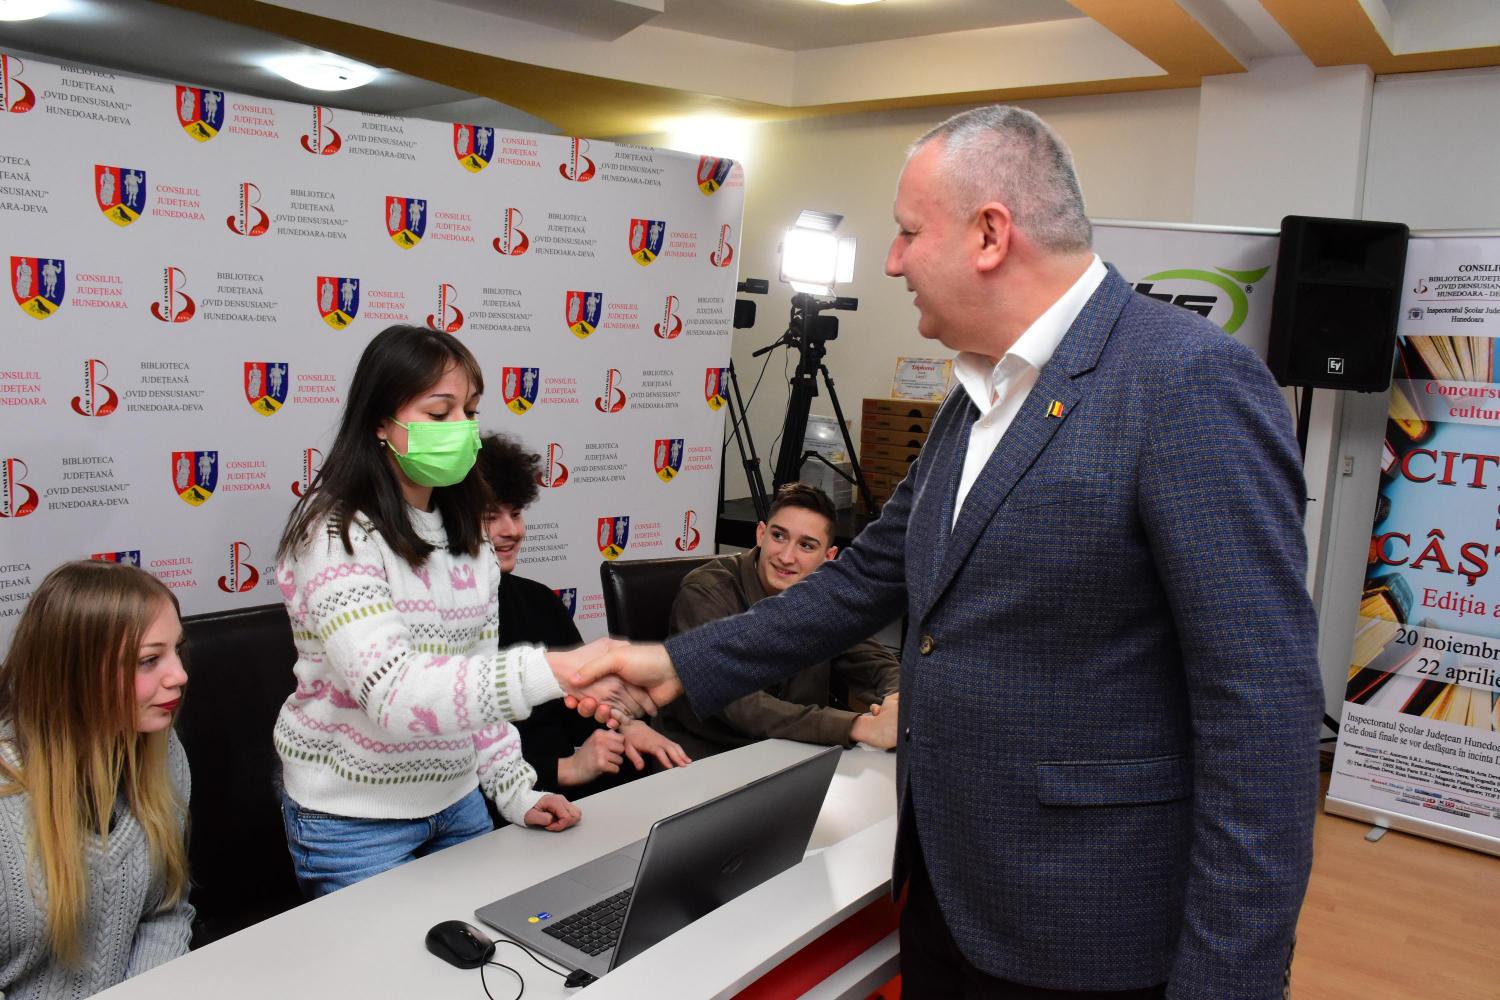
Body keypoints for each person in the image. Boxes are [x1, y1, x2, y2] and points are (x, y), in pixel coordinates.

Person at [572, 105, 1322, 999]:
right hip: (945, 891)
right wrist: (677, 663)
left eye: (907, 232)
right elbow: (864, 578)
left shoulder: (1188, 382)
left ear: (990, 234)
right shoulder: (977, 393)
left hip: (1087, 925)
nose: (892, 262)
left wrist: (1228, 983)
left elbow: (1261, 713)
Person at [273, 324, 644, 898]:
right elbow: (393, 693)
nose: (461, 428)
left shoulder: (467, 535)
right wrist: (558, 670)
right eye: (439, 413)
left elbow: (473, 687)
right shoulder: (334, 532)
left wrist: (516, 790)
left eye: (469, 412)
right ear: (380, 421)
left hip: (457, 798)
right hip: (356, 821)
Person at [0, 560, 192, 998]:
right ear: (75, 674)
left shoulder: (163, 751)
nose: (179, 675)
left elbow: (165, 911)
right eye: (149, 660)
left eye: (177, 650)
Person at [476, 434, 688, 796]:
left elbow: (577, 708)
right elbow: (452, 768)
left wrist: (625, 727)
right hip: (501, 806)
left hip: (561, 797)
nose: (511, 531)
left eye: (516, 514)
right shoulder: (433, 623)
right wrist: (565, 770)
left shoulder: (538, 600)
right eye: (490, 518)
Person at [662, 482, 899, 759]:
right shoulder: (706, 591)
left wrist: (897, 701)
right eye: (778, 536)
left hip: (794, 754)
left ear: (829, 557)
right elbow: (737, 704)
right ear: (761, 534)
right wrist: (857, 726)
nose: (786, 557)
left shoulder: (824, 599)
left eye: (806, 545)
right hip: (706, 758)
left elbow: (876, 663)